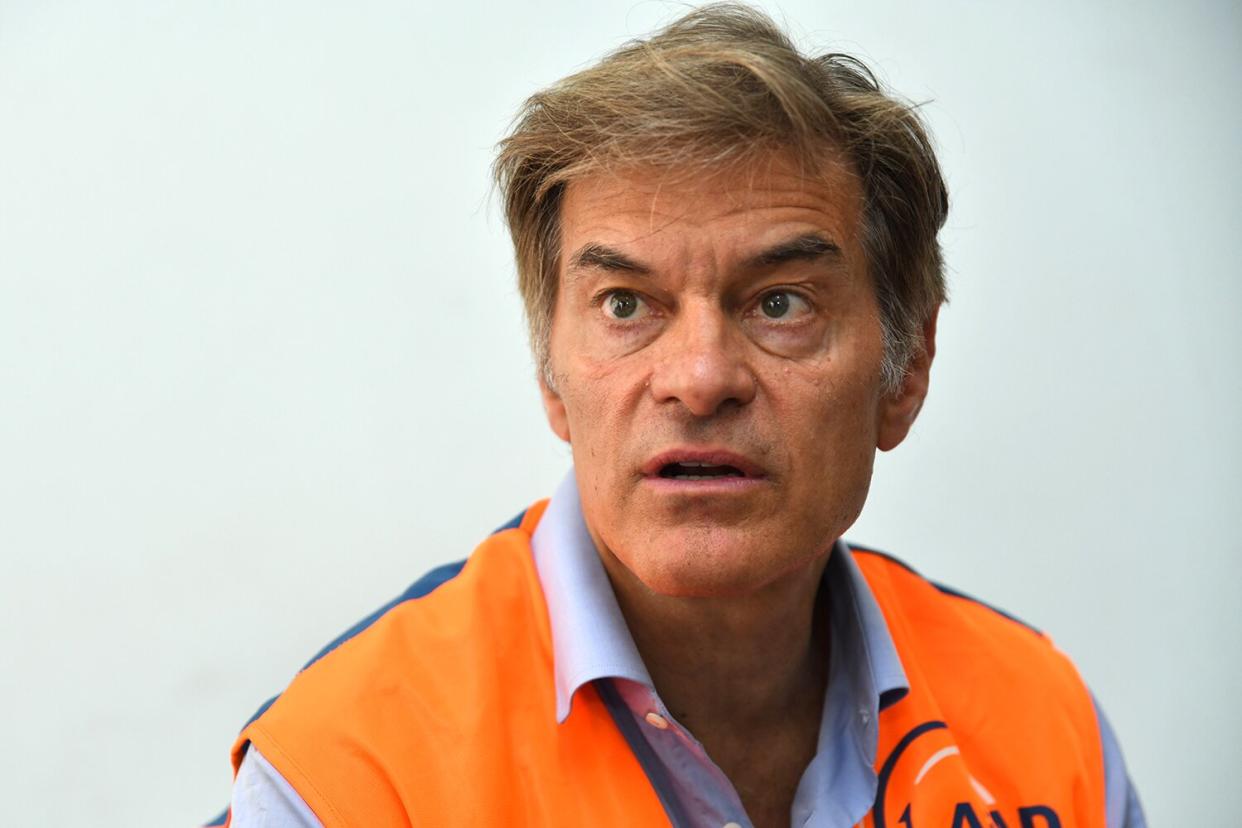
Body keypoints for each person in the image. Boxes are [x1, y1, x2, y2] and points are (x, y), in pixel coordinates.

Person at [212, 4, 1145, 827]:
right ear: (551, 377)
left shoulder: (1046, 725)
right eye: (626, 304)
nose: (699, 380)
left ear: (907, 370)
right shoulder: (343, 779)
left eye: (781, 302)